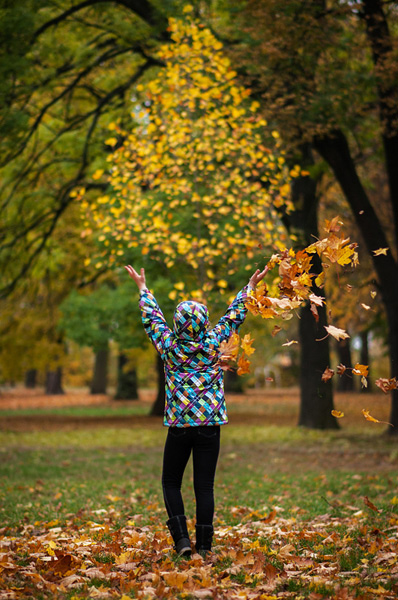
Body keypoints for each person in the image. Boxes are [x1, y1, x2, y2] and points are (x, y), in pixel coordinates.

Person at [125, 264, 268, 557]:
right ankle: (204, 547)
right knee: (205, 487)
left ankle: (182, 542)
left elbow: (152, 319)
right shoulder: (214, 342)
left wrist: (143, 289)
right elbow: (234, 316)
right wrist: (249, 286)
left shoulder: (168, 345)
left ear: (177, 324)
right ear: (203, 324)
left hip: (179, 427)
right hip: (210, 427)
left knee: (170, 482)